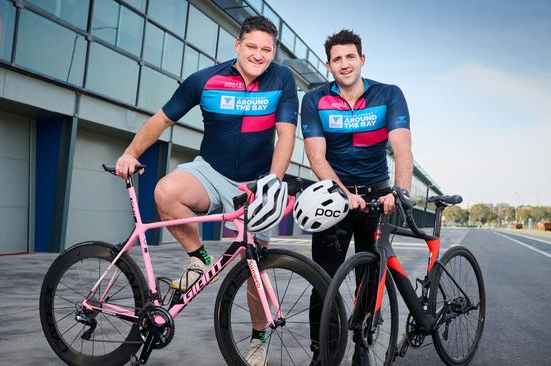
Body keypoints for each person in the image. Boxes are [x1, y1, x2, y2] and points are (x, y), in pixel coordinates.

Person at [115, 16, 298, 366]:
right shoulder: (205, 80)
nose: (258, 55)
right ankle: (199, 259)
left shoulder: (282, 79)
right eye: (252, 47)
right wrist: (130, 153)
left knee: (256, 267)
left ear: (273, 53)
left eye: (266, 50)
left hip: (258, 181)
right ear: (237, 46)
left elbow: (286, 134)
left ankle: (258, 339)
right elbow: (160, 120)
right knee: (166, 192)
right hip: (211, 171)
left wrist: (274, 180)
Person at [300, 29, 414, 365]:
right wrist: (344, 194)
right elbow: (316, 157)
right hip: (334, 196)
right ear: (329, 65)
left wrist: (401, 190)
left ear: (361, 60)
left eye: (350, 57)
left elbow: (403, 149)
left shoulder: (388, 95)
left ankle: (363, 344)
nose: (345, 64)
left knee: (370, 276)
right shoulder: (315, 99)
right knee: (324, 280)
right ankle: (324, 353)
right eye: (337, 59)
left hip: (378, 195)